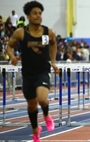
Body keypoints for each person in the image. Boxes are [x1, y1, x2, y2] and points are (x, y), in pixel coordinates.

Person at [6, 1, 59, 142]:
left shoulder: (48, 32)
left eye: (40, 13)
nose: (38, 16)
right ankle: (36, 130)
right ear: (28, 16)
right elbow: (9, 46)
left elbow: (53, 44)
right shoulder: (21, 33)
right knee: (31, 105)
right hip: (28, 74)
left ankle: (47, 116)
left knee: (42, 98)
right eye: (35, 13)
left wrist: (53, 62)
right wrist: (12, 57)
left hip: (42, 72)